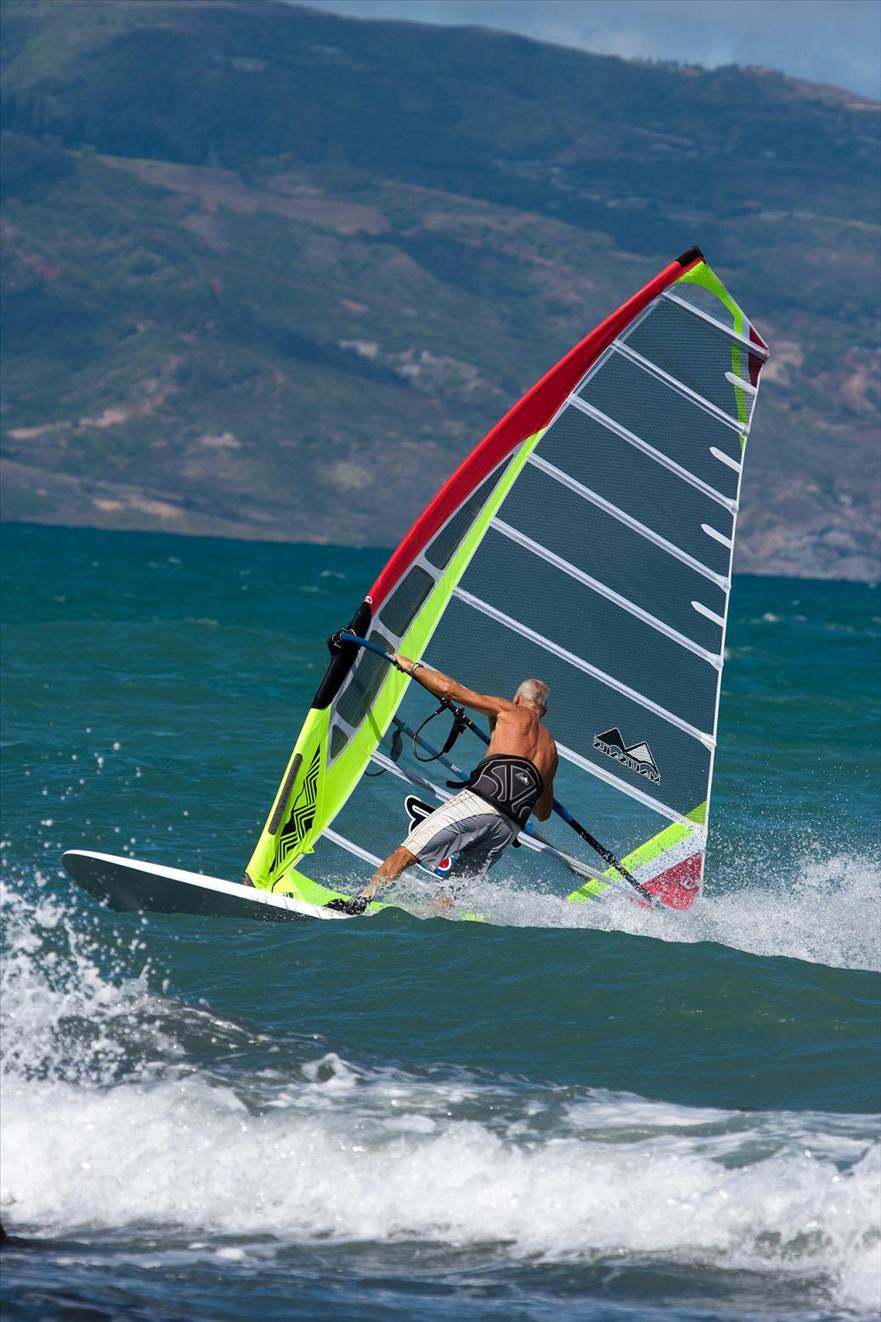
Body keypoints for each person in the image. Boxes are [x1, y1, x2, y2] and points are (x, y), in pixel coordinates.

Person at [333, 654, 557, 912]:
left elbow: (451, 690)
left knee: (407, 853)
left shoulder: (508, 710)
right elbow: (543, 812)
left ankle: (358, 903)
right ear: (543, 711)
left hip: (481, 804)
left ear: (517, 698)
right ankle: (435, 918)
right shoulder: (551, 751)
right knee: (452, 889)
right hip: (508, 828)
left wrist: (410, 667)